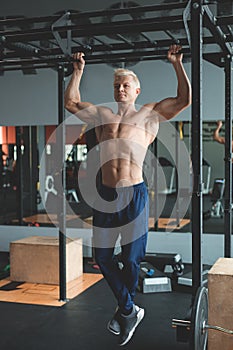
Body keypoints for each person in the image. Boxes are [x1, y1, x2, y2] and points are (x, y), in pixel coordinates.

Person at [64, 44, 191, 346]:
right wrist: (78, 71)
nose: (120, 88)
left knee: (131, 260)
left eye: (126, 85)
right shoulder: (102, 115)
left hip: (134, 194)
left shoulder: (149, 114)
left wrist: (177, 65)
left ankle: (127, 308)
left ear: (136, 90)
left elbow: (185, 99)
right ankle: (129, 309)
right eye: (116, 85)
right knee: (102, 257)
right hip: (105, 195)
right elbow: (71, 102)